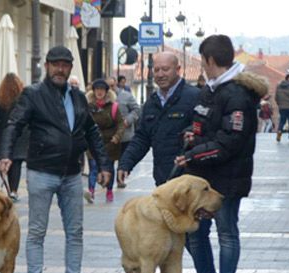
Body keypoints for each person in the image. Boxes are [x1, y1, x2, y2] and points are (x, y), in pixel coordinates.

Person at [0, 45, 111, 273]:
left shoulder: (78, 97)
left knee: (75, 233)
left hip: (72, 174)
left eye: (65, 64)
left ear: (71, 68)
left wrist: (104, 164)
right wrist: (5, 154)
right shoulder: (33, 94)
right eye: (55, 64)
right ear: (47, 66)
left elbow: (91, 132)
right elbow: (14, 124)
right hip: (41, 172)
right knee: (37, 231)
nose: (60, 69)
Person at [176, 34, 268, 273]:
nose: (202, 66)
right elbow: (201, 124)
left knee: (226, 233)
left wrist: (192, 154)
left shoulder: (237, 94)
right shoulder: (211, 90)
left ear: (210, 60)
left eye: (203, 61)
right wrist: (191, 135)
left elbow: (230, 142)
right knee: (195, 234)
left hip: (228, 178)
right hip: (202, 177)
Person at [119, 51, 201, 187]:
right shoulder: (151, 103)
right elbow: (142, 138)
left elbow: (205, 132)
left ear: (178, 70)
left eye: (165, 69)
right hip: (164, 181)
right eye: (156, 70)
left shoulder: (195, 97)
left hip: (190, 183)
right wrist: (125, 164)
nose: (160, 74)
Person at [0, 73, 28, 200]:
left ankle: (8, 188)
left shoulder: (0, 100)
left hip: (4, 134)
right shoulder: (22, 99)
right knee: (16, 162)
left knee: (5, 159)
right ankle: (13, 190)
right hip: (20, 135)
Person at [84, 80, 122, 204]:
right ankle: (91, 191)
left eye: (102, 89)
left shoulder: (113, 106)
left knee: (109, 168)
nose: (99, 92)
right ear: (93, 91)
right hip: (92, 142)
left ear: (106, 92)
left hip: (109, 143)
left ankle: (109, 190)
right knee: (93, 167)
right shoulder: (88, 106)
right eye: (97, 89)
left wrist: (117, 136)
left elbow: (121, 124)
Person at [114, 77, 141, 188]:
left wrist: (128, 120)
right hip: (109, 135)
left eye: (112, 85)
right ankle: (108, 181)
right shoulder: (103, 98)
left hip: (125, 134)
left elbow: (137, 110)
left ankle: (120, 179)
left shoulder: (126, 96)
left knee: (122, 158)